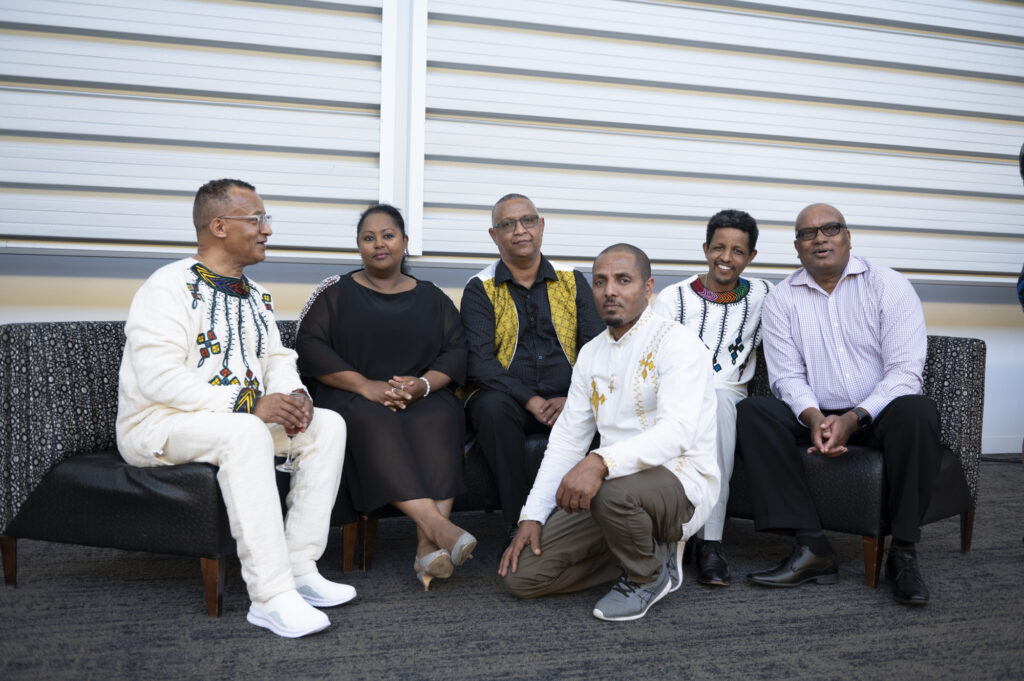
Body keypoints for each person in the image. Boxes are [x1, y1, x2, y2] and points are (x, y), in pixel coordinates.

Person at [116, 179, 355, 638]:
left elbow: (277, 359)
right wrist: (249, 404)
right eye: (257, 220)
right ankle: (269, 596)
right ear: (219, 226)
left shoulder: (257, 295)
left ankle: (299, 568)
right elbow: (158, 378)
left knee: (326, 425)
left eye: (266, 219)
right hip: (158, 425)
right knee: (245, 431)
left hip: (229, 422)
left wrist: (294, 396)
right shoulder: (167, 287)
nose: (267, 230)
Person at [499, 244, 719, 622]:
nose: (609, 291)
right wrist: (531, 516)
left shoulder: (677, 343)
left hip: (680, 482)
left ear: (647, 288)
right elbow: (567, 440)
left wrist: (600, 461)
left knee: (611, 491)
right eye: (600, 282)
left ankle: (647, 576)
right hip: (613, 491)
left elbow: (678, 432)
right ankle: (644, 550)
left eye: (623, 280)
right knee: (523, 577)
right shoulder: (591, 353)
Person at [736, 203, 941, 606]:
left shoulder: (888, 285)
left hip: (878, 412)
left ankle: (903, 551)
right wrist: (814, 417)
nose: (820, 238)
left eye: (830, 229)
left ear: (848, 237)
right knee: (753, 412)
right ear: (797, 247)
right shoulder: (782, 299)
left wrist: (855, 417)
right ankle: (812, 546)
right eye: (807, 233)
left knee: (918, 411)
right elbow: (787, 377)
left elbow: (904, 372)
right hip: (816, 412)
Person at [295, 204, 475, 591]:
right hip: (353, 395)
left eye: (388, 235)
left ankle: (427, 547)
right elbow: (309, 347)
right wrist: (365, 385)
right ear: (358, 246)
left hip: (420, 396)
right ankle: (439, 527)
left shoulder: (432, 296)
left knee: (444, 414)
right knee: (370, 416)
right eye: (368, 237)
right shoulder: (334, 291)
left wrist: (422, 385)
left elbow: (457, 350)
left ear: (405, 242)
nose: (379, 243)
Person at [460, 193, 603, 540]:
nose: (519, 230)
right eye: (507, 225)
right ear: (494, 236)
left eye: (527, 221)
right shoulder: (480, 288)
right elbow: (479, 361)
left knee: (610, 405)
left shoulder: (572, 280)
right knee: (491, 409)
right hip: (509, 400)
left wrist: (574, 398)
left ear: (541, 226)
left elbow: (597, 347)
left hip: (569, 396)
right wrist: (530, 399)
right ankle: (518, 522)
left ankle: (589, 527)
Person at [652, 209, 772, 587]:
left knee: (718, 408)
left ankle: (711, 542)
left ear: (751, 257)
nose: (726, 257)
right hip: (677, 393)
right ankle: (668, 538)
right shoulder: (673, 298)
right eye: (719, 247)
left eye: (738, 251)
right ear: (705, 249)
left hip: (728, 394)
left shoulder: (763, 295)